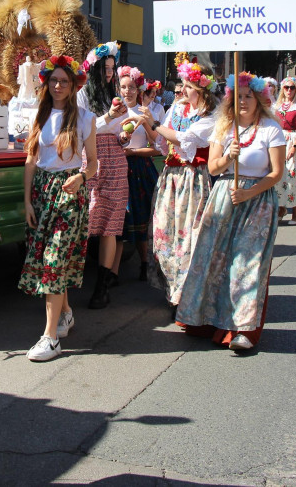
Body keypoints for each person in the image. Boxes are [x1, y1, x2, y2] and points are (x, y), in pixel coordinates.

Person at [176, 72, 285, 351]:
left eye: (249, 96)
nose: (244, 102)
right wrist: (229, 156)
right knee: (215, 260)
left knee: (247, 265)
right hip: (224, 196)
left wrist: (249, 192)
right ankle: (208, 320)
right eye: (238, 97)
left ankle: (244, 331)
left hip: (257, 201)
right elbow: (213, 168)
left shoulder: (271, 129)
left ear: (260, 99)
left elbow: (276, 173)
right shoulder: (223, 129)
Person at [17, 55, 96, 361]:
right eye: (54, 80)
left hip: (68, 193)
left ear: (74, 85)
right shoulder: (39, 115)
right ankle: (65, 314)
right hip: (41, 193)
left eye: (64, 81)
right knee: (50, 260)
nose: (59, 86)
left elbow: (93, 165)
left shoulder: (86, 119)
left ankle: (50, 338)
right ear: (47, 83)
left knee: (54, 260)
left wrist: (80, 176)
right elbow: (30, 161)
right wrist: (26, 201)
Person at [139, 60, 217, 309]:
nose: (181, 91)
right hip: (170, 178)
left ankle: (183, 296)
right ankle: (171, 288)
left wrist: (154, 124)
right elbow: (161, 142)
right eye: (182, 85)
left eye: (187, 86)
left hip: (192, 178)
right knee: (165, 236)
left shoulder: (211, 116)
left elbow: (184, 139)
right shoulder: (177, 108)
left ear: (201, 89)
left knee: (187, 240)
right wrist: (147, 122)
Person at [76, 42, 128, 309]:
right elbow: (84, 127)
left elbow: (119, 126)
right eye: (105, 68)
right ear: (94, 69)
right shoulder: (83, 94)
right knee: (86, 216)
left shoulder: (113, 92)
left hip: (115, 156)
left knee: (110, 222)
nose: (109, 73)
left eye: (112, 68)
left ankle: (102, 286)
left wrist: (124, 133)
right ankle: (71, 279)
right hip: (91, 155)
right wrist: (109, 116)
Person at [117, 66, 162, 281]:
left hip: (140, 168)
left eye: (132, 87)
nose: (127, 91)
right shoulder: (113, 110)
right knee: (119, 223)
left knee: (141, 218)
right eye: (124, 87)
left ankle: (145, 264)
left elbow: (157, 146)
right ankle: (111, 273)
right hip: (118, 168)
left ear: (138, 89)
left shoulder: (144, 113)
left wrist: (133, 150)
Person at [273, 77, 296, 225]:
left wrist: (294, 146)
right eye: (286, 87)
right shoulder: (278, 106)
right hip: (279, 140)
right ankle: (281, 209)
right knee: (279, 176)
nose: (289, 90)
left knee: (294, 176)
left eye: (292, 88)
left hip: (294, 141)